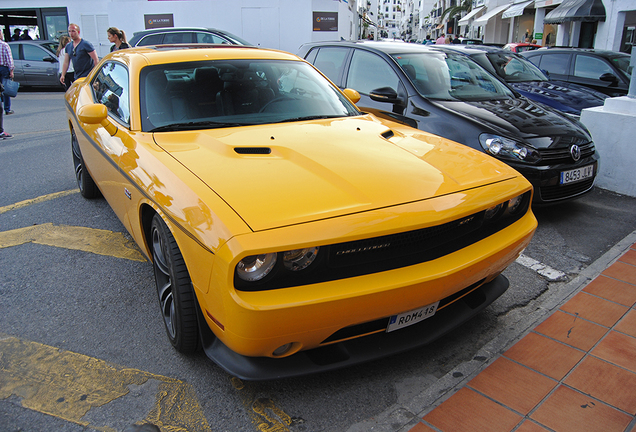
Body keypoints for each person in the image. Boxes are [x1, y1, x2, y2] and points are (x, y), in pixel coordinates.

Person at [0, 31, 15, 116]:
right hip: (4, 68)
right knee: (5, 88)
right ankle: (7, 109)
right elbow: (9, 59)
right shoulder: (4, 45)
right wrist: (11, 70)